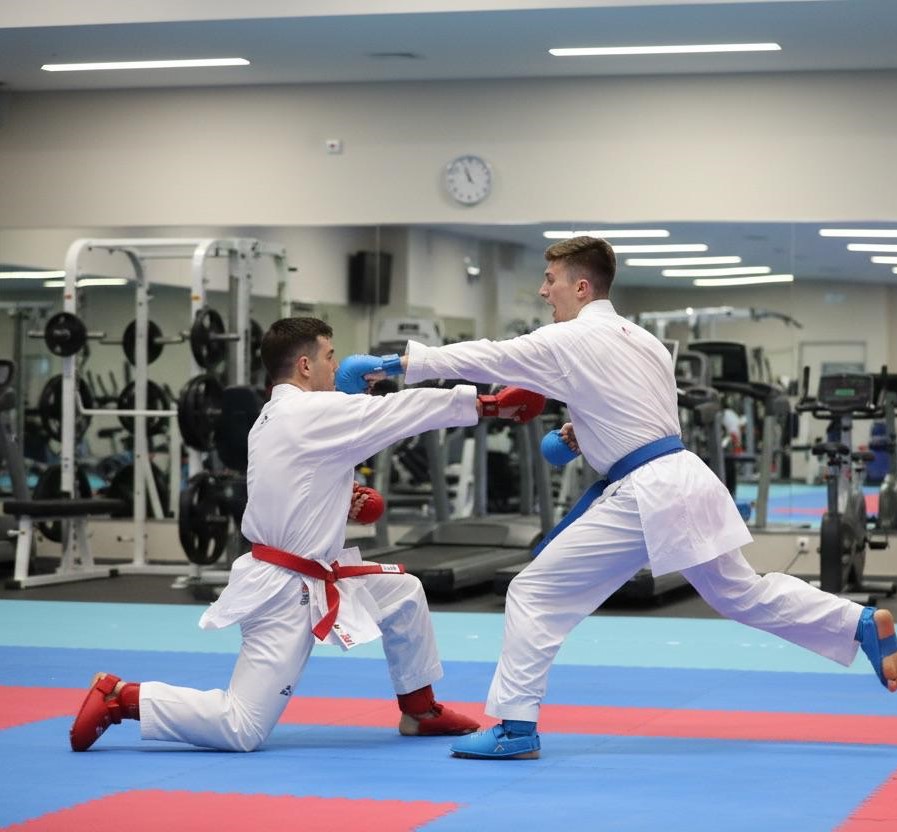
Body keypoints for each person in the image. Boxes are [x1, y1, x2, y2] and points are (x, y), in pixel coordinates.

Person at [335, 235, 897, 761]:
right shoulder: (646, 342)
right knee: (740, 594)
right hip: (683, 476)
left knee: (534, 591)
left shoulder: (569, 338)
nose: (543, 291)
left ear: (581, 287)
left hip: (646, 493)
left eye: (551, 279)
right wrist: (583, 431)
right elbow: (638, 412)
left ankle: (515, 727)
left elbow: (486, 356)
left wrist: (394, 365)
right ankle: (860, 623)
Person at [69, 316, 544, 753]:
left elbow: (298, 481)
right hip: (284, 590)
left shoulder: (273, 416)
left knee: (402, 592)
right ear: (304, 365)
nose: (336, 366)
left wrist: (343, 495)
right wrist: (487, 405)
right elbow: (401, 411)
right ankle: (122, 697)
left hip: (309, 569)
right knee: (241, 727)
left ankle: (420, 711)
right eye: (330, 356)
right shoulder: (309, 413)